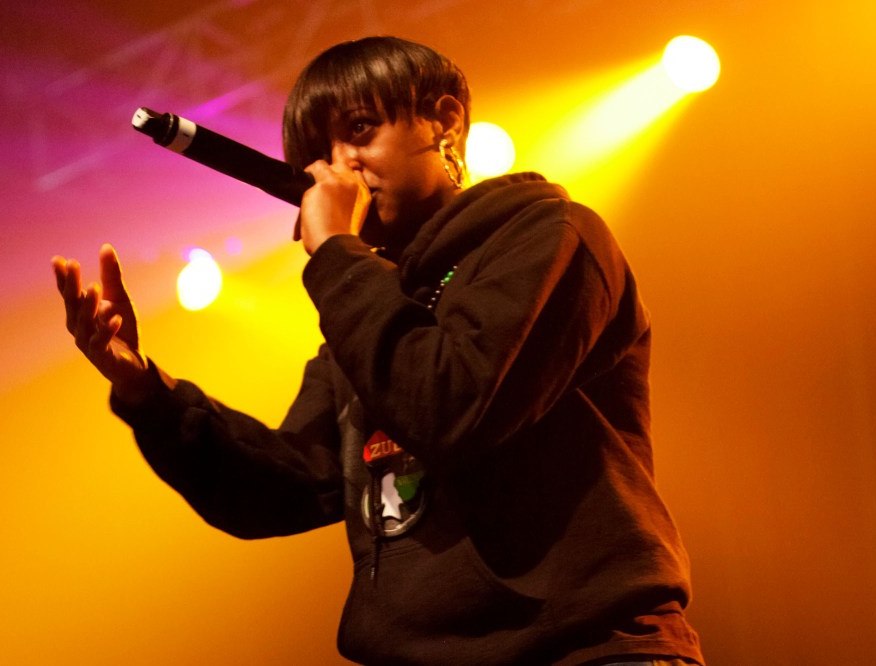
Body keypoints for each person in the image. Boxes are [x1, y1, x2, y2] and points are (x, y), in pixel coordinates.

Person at [52, 36, 705, 666]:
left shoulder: (549, 236)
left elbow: (450, 405)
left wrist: (338, 253)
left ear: (445, 123)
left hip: (584, 650)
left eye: (360, 130)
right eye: (320, 153)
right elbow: (284, 487)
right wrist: (146, 392)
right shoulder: (372, 304)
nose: (340, 165)